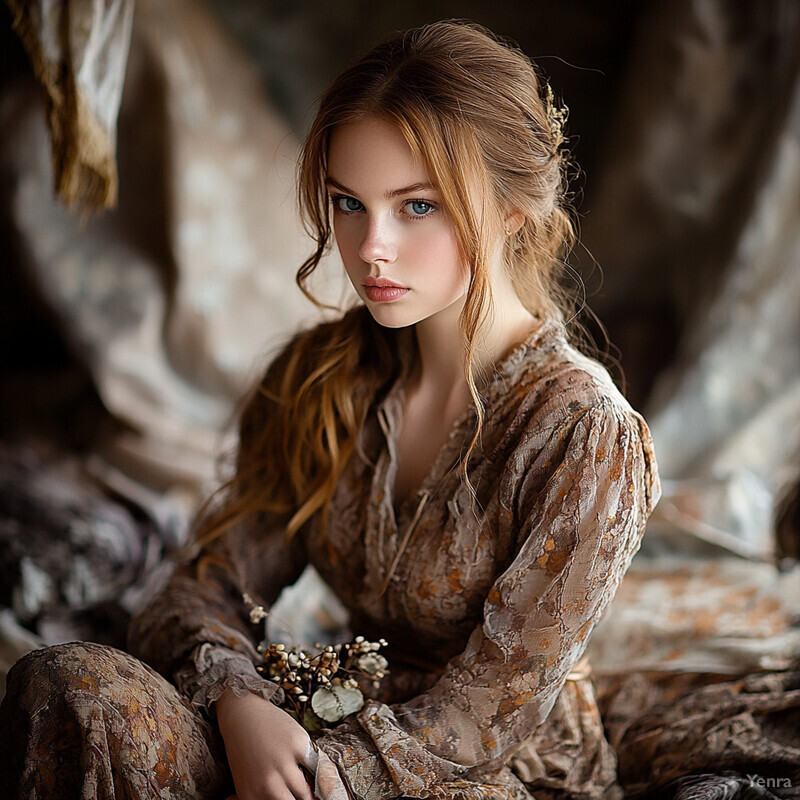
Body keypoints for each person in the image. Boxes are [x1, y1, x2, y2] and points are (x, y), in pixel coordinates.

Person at [0, 20, 658, 800]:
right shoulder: (321, 380)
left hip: (487, 772)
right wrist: (239, 703)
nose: (371, 247)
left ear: (512, 209)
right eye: (349, 203)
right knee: (71, 683)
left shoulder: (586, 434)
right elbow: (203, 585)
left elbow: (489, 710)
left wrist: (335, 774)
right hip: (320, 723)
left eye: (417, 207)